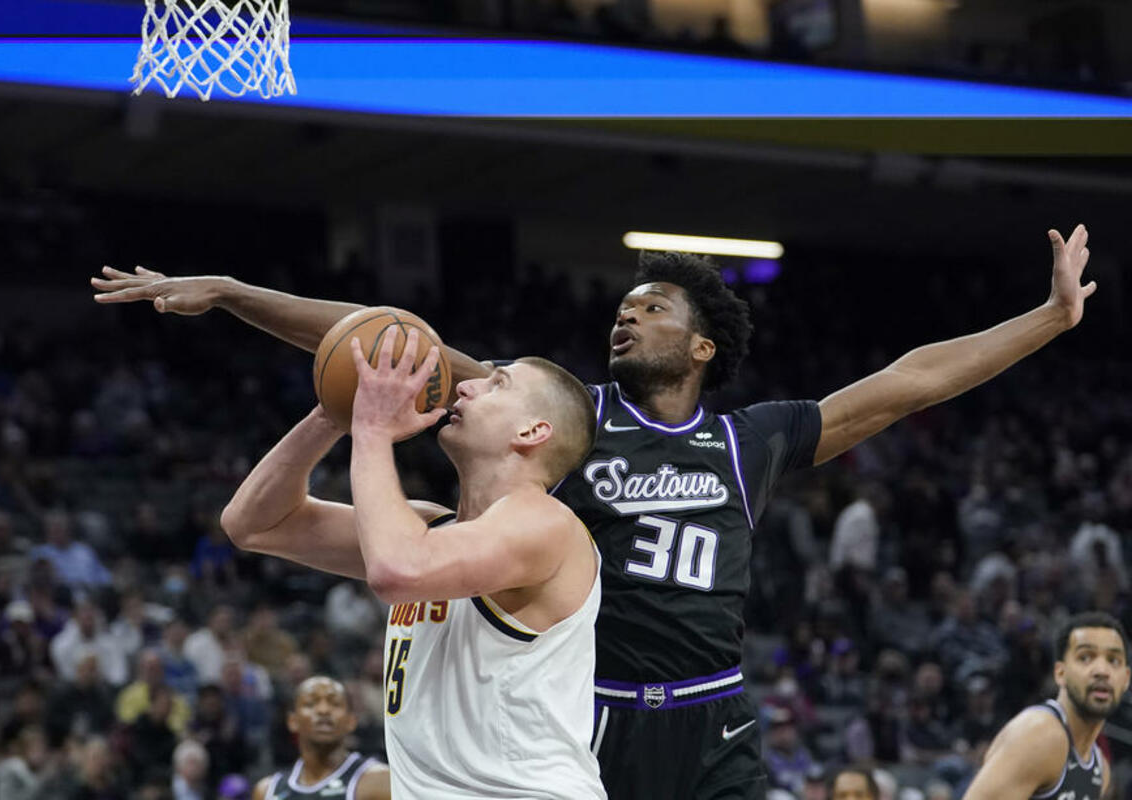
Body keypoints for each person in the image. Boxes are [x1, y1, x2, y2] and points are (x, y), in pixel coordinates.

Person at [94, 223, 1097, 798]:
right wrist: (234, 294)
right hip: (590, 719)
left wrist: (1049, 319)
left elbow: (908, 382)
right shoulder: (559, 419)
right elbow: (387, 347)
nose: (629, 312)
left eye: (654, 306)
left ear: (703, 345)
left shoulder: (747, 440)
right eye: (623, 304)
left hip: (711, 714)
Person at [220, 329, 604, 798]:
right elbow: (254, 524)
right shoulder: (428, 531)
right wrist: (333, 413)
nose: (466, 385)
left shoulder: (545, 523)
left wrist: (372, 431)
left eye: (497, 384)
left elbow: (396, 571)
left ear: (532, 431)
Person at [962, 611, 1129, 800]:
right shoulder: (1039, 734)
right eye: (1085, 657)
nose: (1102, 671)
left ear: (1126, 679)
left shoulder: (1101, 770)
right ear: (1060, 673)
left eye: (1113, 660)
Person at [253, 676, 388, 800]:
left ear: (351, 721)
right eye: (310, 703)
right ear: (292, 721)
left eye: (335, 703)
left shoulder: (379, 780)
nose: (323, 710)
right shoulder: (267, 791)